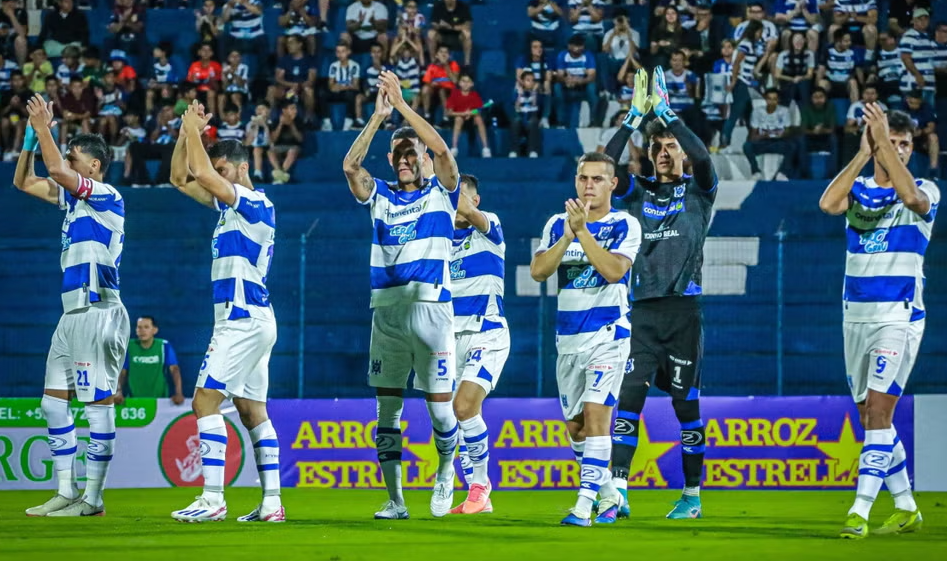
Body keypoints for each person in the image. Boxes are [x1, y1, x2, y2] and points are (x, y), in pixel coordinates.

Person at [342, 69, 461, 520]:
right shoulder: (381, 196)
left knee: (439, 413)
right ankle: (395, 499)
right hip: (386, 314)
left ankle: (447, 469)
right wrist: (379, 118)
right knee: (386, 412)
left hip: (432, 311)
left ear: (426, 160)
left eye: (413, 151)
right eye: (399, 153)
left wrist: (405, 108)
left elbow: (444, 149)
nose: (406, 157)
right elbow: (351, 167)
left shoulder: (443, 193)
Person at [603, 67, 717, 520]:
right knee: (627, 400)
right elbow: (606, 169)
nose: (666, 152)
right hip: (641, 314)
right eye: (658, 147)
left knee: (686, 407)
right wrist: (633, 120)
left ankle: (691, 496)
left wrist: (670, 117)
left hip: (684, 313)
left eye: (672, 146)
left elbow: (705, 159)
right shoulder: (636, 193)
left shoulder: (700, 191)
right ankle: (618, 491)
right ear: (648, 155)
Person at [819, 104, 935, 539]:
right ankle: (905, 505)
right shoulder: (862, 190)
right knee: (870, 415)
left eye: (905, 144)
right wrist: (865, 151)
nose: (899, 151)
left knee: (881, 411)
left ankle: (860, 511)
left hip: (897, 317)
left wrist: (882, 140)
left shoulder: (926, 189)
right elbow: (828, 203)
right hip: (856, 316)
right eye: (894, 141)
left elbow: (912, 200)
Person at [169, 101, 283, 523]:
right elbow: (180, 178)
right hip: (254, 319)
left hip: (241, 318)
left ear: (237, 168)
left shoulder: (255, 203)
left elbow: (200, 173)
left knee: (203, 402)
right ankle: (272, 504)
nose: (215, 175)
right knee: (254, 412)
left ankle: (213, 498)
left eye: (221, 170)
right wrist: (185, 134)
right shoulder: (230, 207)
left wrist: (194, 132)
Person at [14, 94, 127, 517]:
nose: (66, 161)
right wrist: (29, 140)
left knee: (96, 405)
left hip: (98, 310)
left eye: (75, 157)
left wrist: (45, 127)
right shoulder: (74, 201)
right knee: (52, 403)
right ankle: (66, 489)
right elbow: (23, 183)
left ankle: (93, 498)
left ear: (94, 167)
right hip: (71, 314)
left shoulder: (106, 195)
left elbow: (57, 170)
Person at [530, 150, 641, 526]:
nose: (588, 185)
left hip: (609, 334)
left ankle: (584, 505)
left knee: (596, 417)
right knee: (576, 428)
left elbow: (613, 271)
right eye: (582, 178)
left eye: (597, 179)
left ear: (613, 183)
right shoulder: (556, 223)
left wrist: (583, 232)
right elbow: (539, 271)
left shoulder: (625, 224)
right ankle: (611, 494)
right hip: (569, 340)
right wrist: (567, 236)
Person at [443, 173, 509, 515]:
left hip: (488, 333)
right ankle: (477, 495)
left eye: (461, 197)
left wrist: (442, 183)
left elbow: (464, 208)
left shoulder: (490, 230)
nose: (454, 204)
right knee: (452, 419)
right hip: (449, 340)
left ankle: (481, 486)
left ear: (475, 200)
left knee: (465, 406)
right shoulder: (438, 242)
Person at [116, 316, 184, 404]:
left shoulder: (164, 346)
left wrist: (179, 393)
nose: (142, 330)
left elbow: (174, 370)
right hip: (134, 400)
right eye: (139, 327)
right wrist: (118, 391)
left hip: (160, 401)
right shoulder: (128, 347)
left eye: (146, 327)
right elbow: (122, 372)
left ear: (155, 330)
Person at [720, 20, 766, 150]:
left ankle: (751, 140)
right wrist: (734, 81)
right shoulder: (745, 44)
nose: (760, 34)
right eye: (760, 31)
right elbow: (736, 63)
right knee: (735, 113)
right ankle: (724, 141)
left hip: (746, 81)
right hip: (740, 82)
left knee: (749, 114)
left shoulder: (752, 44)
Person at [743, 87, 800, 180]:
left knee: (793, 146)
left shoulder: (784, 111)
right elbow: (753, 135)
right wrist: (761, 136)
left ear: (778, 100)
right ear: (765, 99)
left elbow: (788, 131)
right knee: (747, 146)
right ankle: (756, 172)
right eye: (769, 99)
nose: (772, 102)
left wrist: (783, 135)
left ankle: (782, 173)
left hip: (778, 142)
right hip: (763, 142)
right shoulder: (757, 111)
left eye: (775, 99)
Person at [555, 34, 598, 128]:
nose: (579, 48)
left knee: (592, 87)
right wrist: (566, 80)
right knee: (557, 87)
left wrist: (580, 81)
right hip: (567, 85)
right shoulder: (563, 55)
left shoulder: (588, 55)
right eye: (576, 45)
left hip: (583, 85)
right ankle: (561, 121)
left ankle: (593, 120)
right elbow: (559, 75)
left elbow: (592, 76)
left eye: (581, 45)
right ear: (569, 46)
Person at [445, 73, 491, 158]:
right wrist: (462, 114)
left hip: (471, 119)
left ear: (472, 84)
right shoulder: (454, 95)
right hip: (458, 118)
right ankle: (454, 148)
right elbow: (449, 113)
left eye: (468, 81)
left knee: (479, 119)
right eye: (463, 81)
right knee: (458, 119)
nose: (466, 84)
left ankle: (485, 148)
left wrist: (470, 114)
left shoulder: (475, 95)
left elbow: (478, 111)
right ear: (459, 83)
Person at [899, 8, 936, 107]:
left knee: (929, 116)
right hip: (913, 84)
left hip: (928, 84)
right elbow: (906, 58)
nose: (923, 22)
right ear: (913, 20)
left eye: (926, 19)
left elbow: (929, 62)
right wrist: (917, 75)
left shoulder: (927, 37)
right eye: (920, 19)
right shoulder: (909, 36)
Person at [843, 85, 886, 163]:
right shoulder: (856, 106)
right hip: (860, 133)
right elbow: (848, 128)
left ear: (877, 95)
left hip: (877, 134)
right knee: (850, 137)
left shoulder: (882, 107)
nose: (869, 96)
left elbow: (886, 126)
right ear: (862, 95)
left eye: (872, 93)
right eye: (867, 93)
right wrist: (862, 123)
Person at [817, 29, 861, 104]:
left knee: (853, 82)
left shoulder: (853, 51)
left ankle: (854, 110)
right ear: (838, 41)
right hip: (831, 82)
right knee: (822, 83)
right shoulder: (827, 50)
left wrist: (863, 84)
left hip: (846, 82)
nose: (849, 43)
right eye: (846, 41)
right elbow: (821, 69)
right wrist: (816, 87)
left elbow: (858, 70)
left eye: (850, 40)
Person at [902, 89, 939, 176]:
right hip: (905, 135)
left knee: (933, 137)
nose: (914, 106)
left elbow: (931, 127)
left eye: (917, 103)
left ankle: (933, 170)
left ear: (921, 101)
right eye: (912, 103)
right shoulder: (902, 107)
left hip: (921, 136)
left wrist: (921, 132)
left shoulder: (926, 107)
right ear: (907, 99)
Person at [774, 31, 815, 106]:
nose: (798, 42)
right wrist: (792, 79)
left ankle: (805, 111)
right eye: (796, 39)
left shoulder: (809, 54)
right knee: (791, 87)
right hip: (787, 81)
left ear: (805, 41)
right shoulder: (783, 55)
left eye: (801, 39)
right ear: (791, 41)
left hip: (803, 80)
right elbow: (777, 75)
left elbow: (810, 75)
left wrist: (801, 78)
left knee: (803, 85)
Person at [427, 0, 473, 67]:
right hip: (442, 36)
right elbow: (434, 23)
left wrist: (452, 27)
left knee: (467, 35)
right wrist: (440, 26)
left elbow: (468, 25)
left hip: (457, 37)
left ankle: (467, 64)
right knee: (430, 33)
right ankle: (433, 63)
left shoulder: (463, 7)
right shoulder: (438, 6)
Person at [268, 100, 303, 184]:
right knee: (270, 151)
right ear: (284, 110)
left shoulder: (298, 121)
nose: (295, 111)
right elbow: (273, 140)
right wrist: (280, 124)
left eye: (295, 108)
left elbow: (300, 139)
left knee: (292, 151)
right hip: (279, 147)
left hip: (294, 146)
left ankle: (281, 174)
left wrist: (291, 125)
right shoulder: (276, 121)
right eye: (292, 108)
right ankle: (280, 173)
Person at [511, 71, 542, 157]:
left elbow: (535, 104)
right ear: (522, 82)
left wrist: (534, 92)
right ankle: (514, 151)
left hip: (532, 117)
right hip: (521, 117)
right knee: (516, 121)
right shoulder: (517, 92)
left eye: (533, 80)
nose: (531, 82)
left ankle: (532, 151)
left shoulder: (537, 92)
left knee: (533, 122)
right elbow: (516, 108)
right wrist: (520, 94)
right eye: (528, 80)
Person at [0, 0, 27, 65]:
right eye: (11, 2)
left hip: (14, 42)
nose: (13, 5)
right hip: (1, 41)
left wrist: (12, 16)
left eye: (15, 2)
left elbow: (22, 34)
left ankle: (20, 70)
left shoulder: (21, 12)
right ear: (3, 3)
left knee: (20, 41)